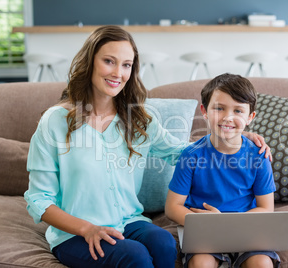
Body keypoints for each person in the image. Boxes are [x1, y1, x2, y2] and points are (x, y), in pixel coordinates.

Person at [24, 26, 271, 268]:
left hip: (128, 221)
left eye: (126, 65)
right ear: (90, 62)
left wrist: (230, 133)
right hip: (77, 231)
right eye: (109, 61)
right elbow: (38, 199)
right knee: (134, 255)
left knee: (164, 243)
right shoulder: (55, 122)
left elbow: (184, 153)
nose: (118, 73)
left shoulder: (138, 120)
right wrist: (87, 228)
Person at [165, 73, 280, 268]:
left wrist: (228, 223)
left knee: (261, 263)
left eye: (238, 111)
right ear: (205, 111)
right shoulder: (191, 155)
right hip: (205, 231)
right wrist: (205, 223)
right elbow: (172, 207)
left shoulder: (259, 157)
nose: (228, 117)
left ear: (250, 117)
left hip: (247, 230)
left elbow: (266, 208)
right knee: (201, 263)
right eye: (219, 108)